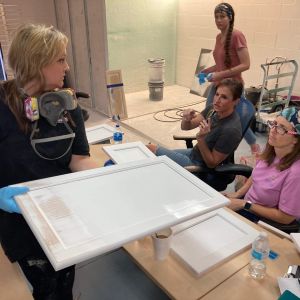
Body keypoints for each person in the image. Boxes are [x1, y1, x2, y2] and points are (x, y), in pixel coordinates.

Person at [0, 24, 99, 299]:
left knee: (65, 280)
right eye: (60, 59)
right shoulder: (1, 105)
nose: (67, 67)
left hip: (63, 216)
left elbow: (79, 159)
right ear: (37, 63)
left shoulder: (67, 105)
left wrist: (105, 179)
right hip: (21, 225)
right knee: (44, 288)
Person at [225, 107, 300, 225]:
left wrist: (244, 204)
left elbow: (285, 218)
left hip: (261, 221)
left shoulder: (295, 173)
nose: (273, 130)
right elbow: (255, 177)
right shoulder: (271, 151)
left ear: (296, 139)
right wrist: (238, 194)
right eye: (274, 124)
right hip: (246, 206)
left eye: (281, 128)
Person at [202, 2, 260, 154]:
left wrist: (220, 74)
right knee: (208, 114)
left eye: (222, 16)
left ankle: (253, 146)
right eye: (216, 17)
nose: (218, 20)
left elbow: (246, 64)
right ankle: (208, 143)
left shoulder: (237, 35)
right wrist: (205, 71)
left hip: (233, 88)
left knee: (238, 121)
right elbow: (220, 64)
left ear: (230, 18)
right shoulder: (218, 37)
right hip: (218, 86)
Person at [147, 78, 242, 171]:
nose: (217, 100)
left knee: (151, 150)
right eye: (217, 94)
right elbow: (186, 127)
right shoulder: (213, 109)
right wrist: (186, 119)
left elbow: (211, 164)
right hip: (194, 154)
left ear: (236, 101)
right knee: (152, 154)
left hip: (201, 168)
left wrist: (200, 139)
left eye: (224, 97)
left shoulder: (231, 130)